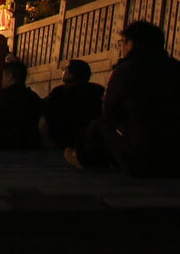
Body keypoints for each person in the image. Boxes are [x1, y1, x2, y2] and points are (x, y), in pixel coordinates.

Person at [68, 20, 180, 176]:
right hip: (176, 159)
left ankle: (83, 159)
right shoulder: (175, 67)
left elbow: (109, 111)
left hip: (142, 159)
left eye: (123, 43)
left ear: (132, 43)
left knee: (100, 125)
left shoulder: (126, 70)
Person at [42, 59, 105, 149]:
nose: (63, 71)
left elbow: (48, 110)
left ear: (73, 73)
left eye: (66, 69)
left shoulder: (60, 91)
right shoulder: (96, 90)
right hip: (89, 137)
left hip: (64, 137)